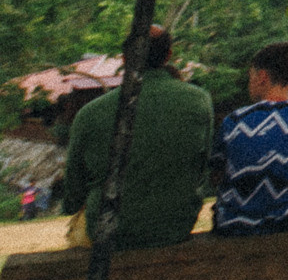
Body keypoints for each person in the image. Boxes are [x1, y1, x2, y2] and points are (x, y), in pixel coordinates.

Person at [61, 24, 214, 252]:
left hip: (108, 231)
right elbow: (204, 168)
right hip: (174, 227)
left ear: (124, 58)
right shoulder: (199, 101)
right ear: (169, 55)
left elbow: (72, 198)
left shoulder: (91, 113)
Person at [212, 41, 288, 236]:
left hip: (233, 225)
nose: (250, 84)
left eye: (251, 77)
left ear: (262, 77)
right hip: (284, 220)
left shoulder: (235, 120)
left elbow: (216, 176)